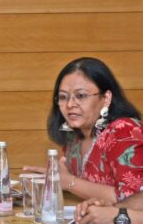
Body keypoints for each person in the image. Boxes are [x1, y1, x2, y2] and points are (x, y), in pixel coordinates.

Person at [25, 57, 143, 202]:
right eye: (63, 97)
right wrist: (52, 179)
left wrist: (68, 182)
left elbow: (133, 199)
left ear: (106, 98)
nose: (70, 104)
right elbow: (73, 183)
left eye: (81, 96)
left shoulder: (125, 131)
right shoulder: (73, 136)